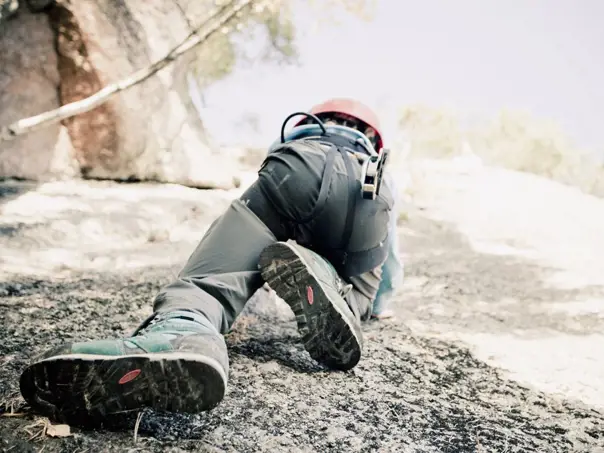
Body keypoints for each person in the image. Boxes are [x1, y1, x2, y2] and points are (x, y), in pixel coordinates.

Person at [18, 98, 402, 426]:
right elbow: (390, 261)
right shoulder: (375, 157)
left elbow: (272, 161)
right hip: (370, 195)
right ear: (372, 136)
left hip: (298, 169)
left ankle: (185, 331)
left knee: (214, 278)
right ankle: (336, 290)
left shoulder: (303, 135)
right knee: (359, 296)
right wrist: (380, 302)